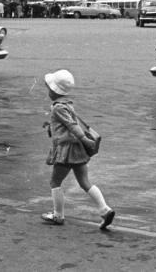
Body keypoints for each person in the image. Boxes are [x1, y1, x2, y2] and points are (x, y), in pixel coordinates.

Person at [41, 69, 115, 230]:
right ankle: (104, 209)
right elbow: (65, 125)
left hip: (67, 151)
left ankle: (58, 215)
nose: (48, 91)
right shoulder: (68, 105)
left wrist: (86, 140)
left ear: (54, 91)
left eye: (49, 88)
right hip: (77, 150)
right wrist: (50, 127)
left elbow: (72, 127)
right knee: (85, 182)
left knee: (55, 181)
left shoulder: (58, 108)